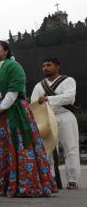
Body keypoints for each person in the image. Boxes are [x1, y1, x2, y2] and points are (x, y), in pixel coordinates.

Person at [0, 40, 58, 197]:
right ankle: (3, 184)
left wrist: (0, 108)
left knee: (18, 145)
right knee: (0, 148)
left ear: (6, 51)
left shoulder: (13, 66)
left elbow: (14, 90)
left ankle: (25, 185)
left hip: (13, 111)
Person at [31, 58, 80, 189]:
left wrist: (48, 98)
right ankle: (51, 178)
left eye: (48, 65)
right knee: (48, 149)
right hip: (46, 117)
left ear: (57, 66)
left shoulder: (68, 81)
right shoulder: (39, 85)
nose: (45, 68)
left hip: (65, 116)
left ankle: (72, 179)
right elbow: (34, 103)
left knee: (71, 148)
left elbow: (69, 97)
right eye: (43, 66)